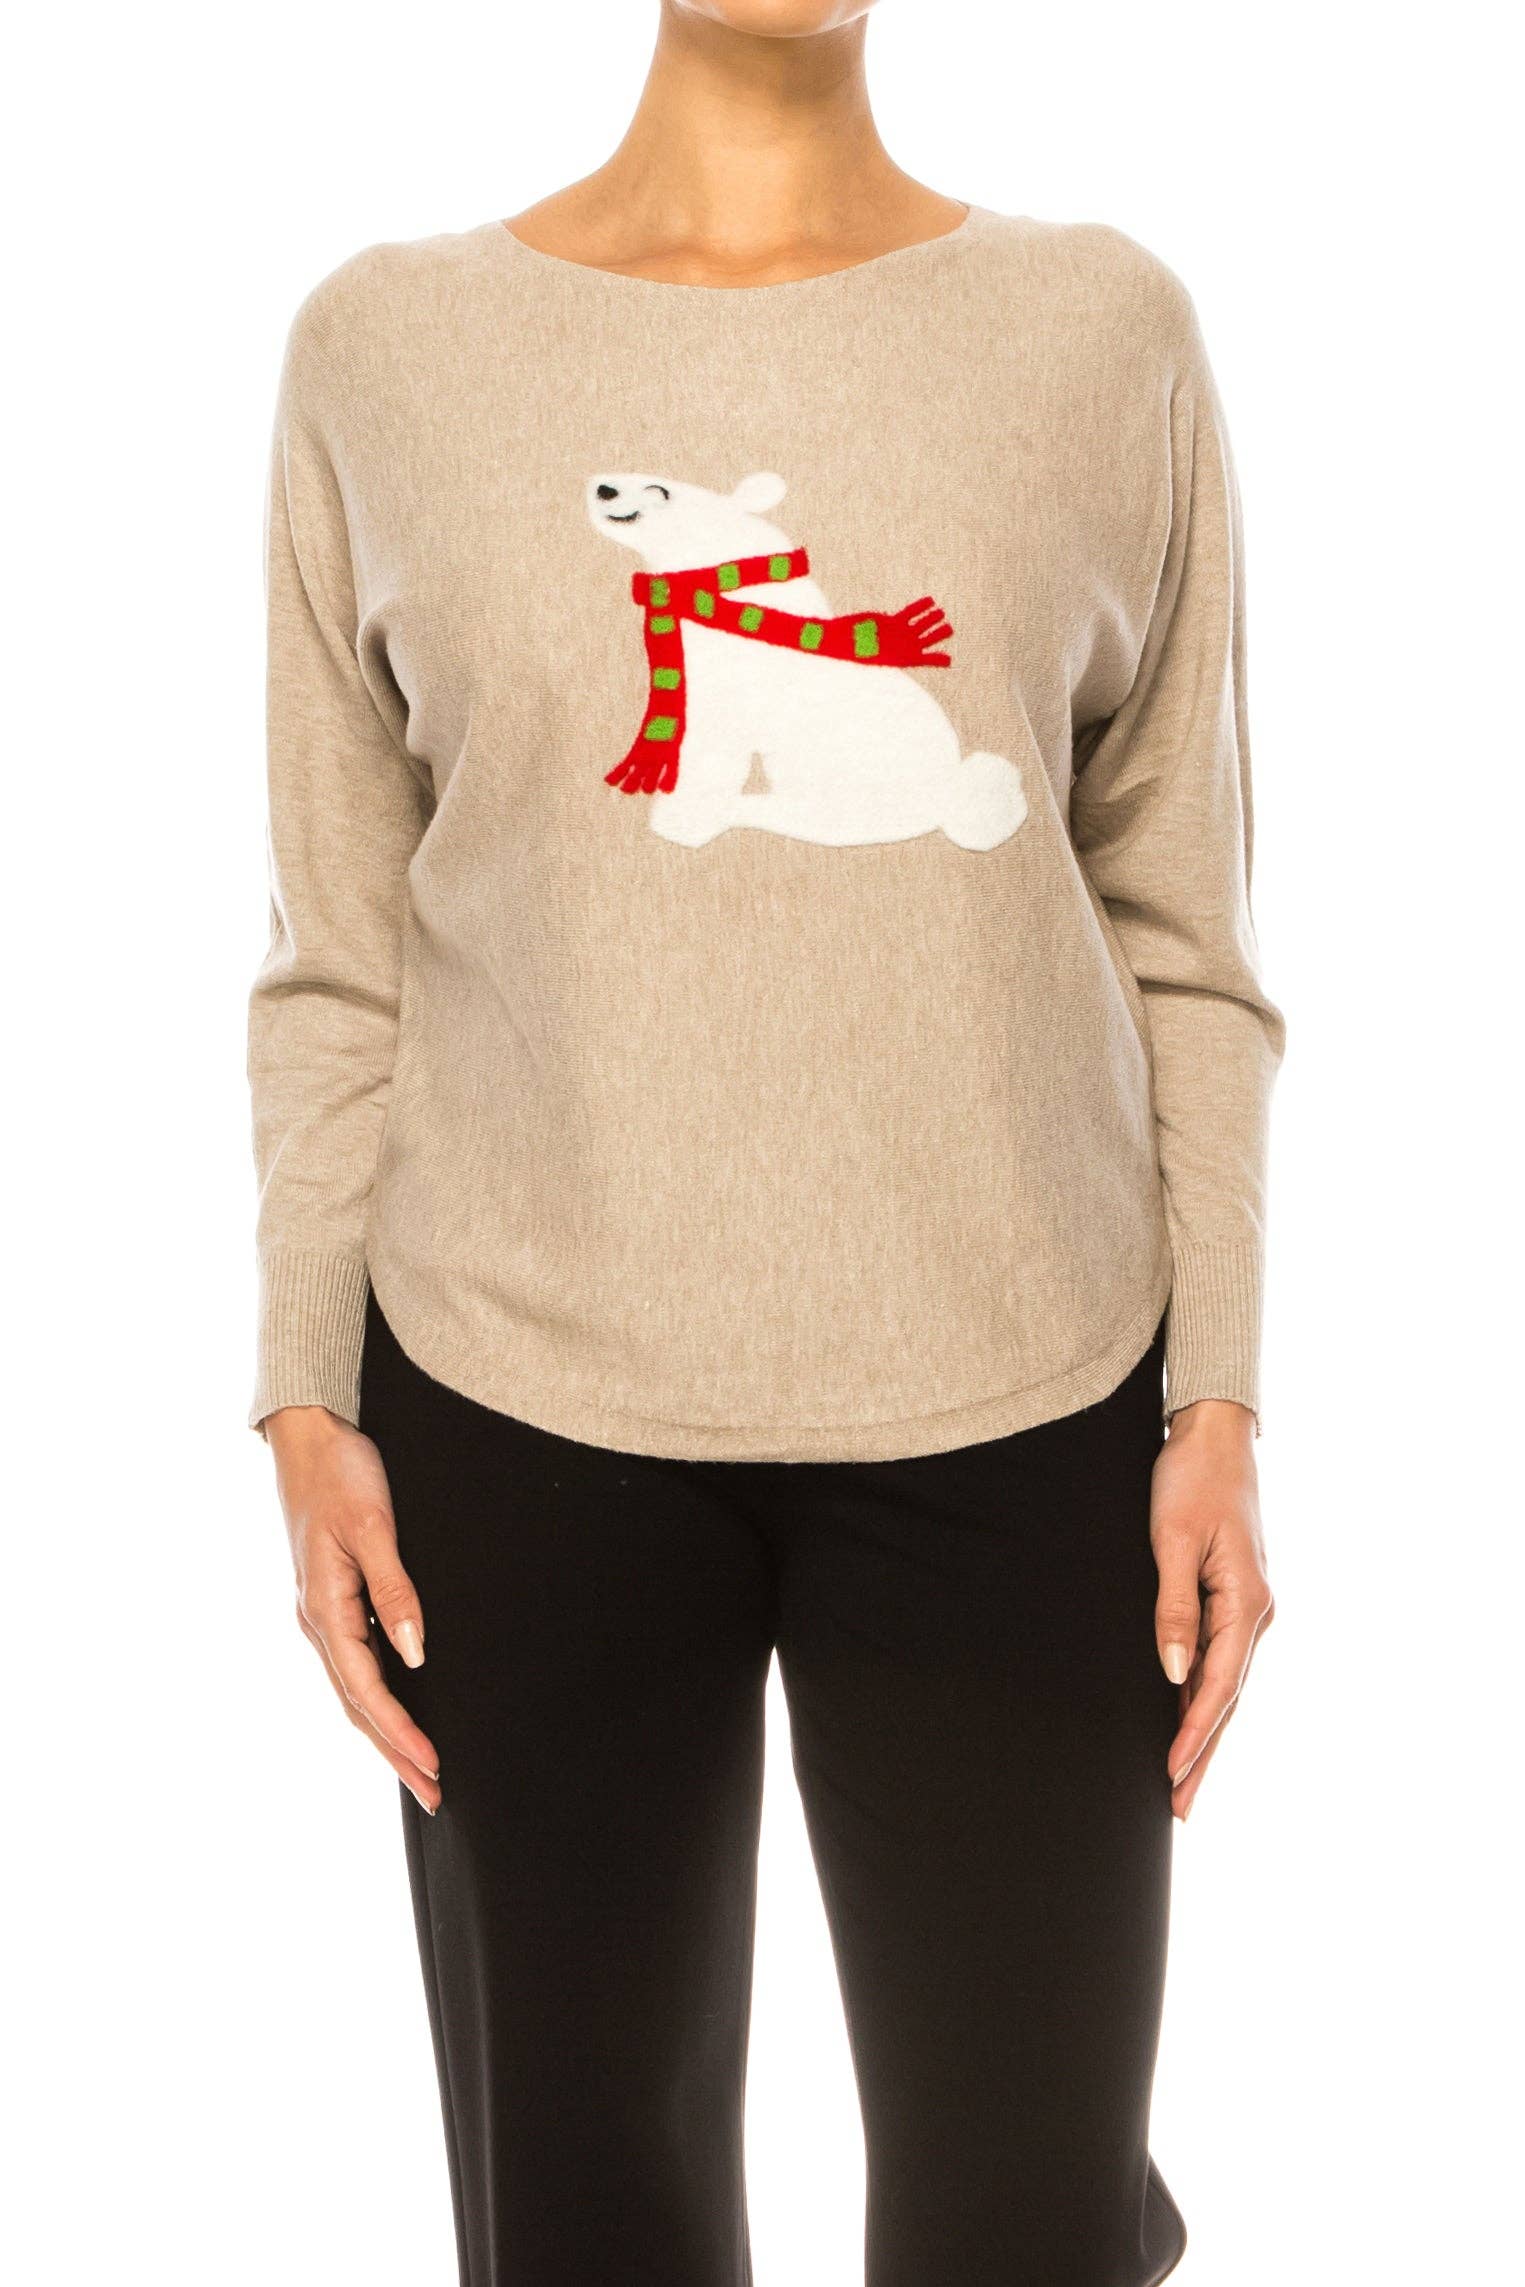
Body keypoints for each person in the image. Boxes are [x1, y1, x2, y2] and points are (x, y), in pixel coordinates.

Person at [249, 3, 1283, 2279]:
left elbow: (1181, 925)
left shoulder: (1097, 328)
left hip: (1024, 1385)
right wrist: (304, 1394)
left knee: (1027, 2219)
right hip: (513, 1398)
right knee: (581, 2226)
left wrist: (1214, 1388)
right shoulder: (386, 349)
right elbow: (341, 949)